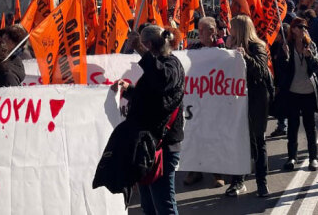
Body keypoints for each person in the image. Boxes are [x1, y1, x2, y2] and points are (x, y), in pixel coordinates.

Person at [112, 25, 185, 215]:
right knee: (149, 206)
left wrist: (140, 50)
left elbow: (162, 79)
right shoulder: (158, 64)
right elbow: (152, 98)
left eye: (143, 46)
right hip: (147, 145)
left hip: (163, 145)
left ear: (149, 44)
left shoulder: (171, 64)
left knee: (164, 205)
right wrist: (128, 89)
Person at [225, 15, 273, 198]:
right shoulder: (230, 44)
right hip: (236, 99)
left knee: (258, 141)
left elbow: (261, 71)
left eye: (233, 27)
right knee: (238, 141)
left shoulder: (257, 46)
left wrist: (245, 55)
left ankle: (262, 182)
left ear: (241, 29)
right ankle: (238, 181)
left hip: (256, 100)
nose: (230, 30)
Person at [183, 16, 225, 189]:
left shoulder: (224, 48)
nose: (199, 33)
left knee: (215, 137)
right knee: (195, 135)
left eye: (203, 30)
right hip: (197, 100)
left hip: (216, 102)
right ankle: (196, 171)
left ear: (213, 31)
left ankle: (218, 173)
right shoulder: (194, 48)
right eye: (198, 29)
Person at [275, 17, 318, 171]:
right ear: (293, 30)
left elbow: (317, 67)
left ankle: (313, 158)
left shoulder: (311, 45)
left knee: (310, 126)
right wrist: (286, 57)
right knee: (293, 126)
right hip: (293, 92)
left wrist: (310, 57)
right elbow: (282, 70)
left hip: (308, 91)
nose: (303, 29)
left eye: (304, 27)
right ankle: (292, 157)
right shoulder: (287, 46)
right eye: (300, 27)